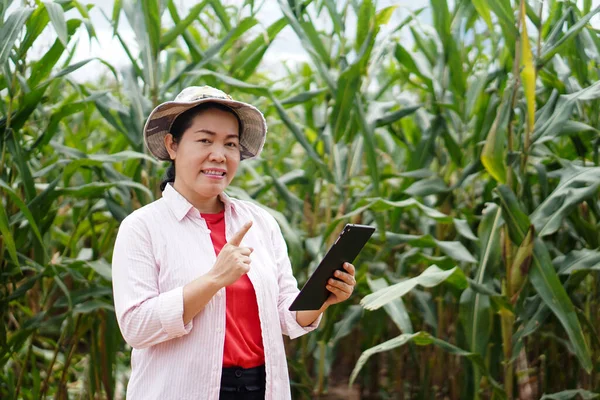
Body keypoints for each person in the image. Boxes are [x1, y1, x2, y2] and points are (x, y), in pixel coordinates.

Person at [111, 86, 357, 400]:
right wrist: (214, 280)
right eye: (204, 140)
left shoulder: (260, 222)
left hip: (260, 388)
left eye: (230, 144)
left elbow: (285, 315)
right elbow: (136, 327)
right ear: (172, 145)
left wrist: (323, 296)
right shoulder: (142, 227)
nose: (219, 154)